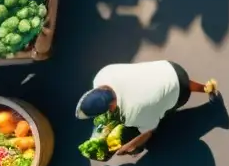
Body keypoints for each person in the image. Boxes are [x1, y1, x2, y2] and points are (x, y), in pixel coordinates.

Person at [76, 61, 218, 155]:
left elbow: (148, 132)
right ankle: (206, 88)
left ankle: (215, 116)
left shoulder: (131, 114)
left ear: (111, 106)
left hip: (178, 92)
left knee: (164, 114)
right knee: (178, 81)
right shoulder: (103, 75)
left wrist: (127, 148)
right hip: (169, 68)